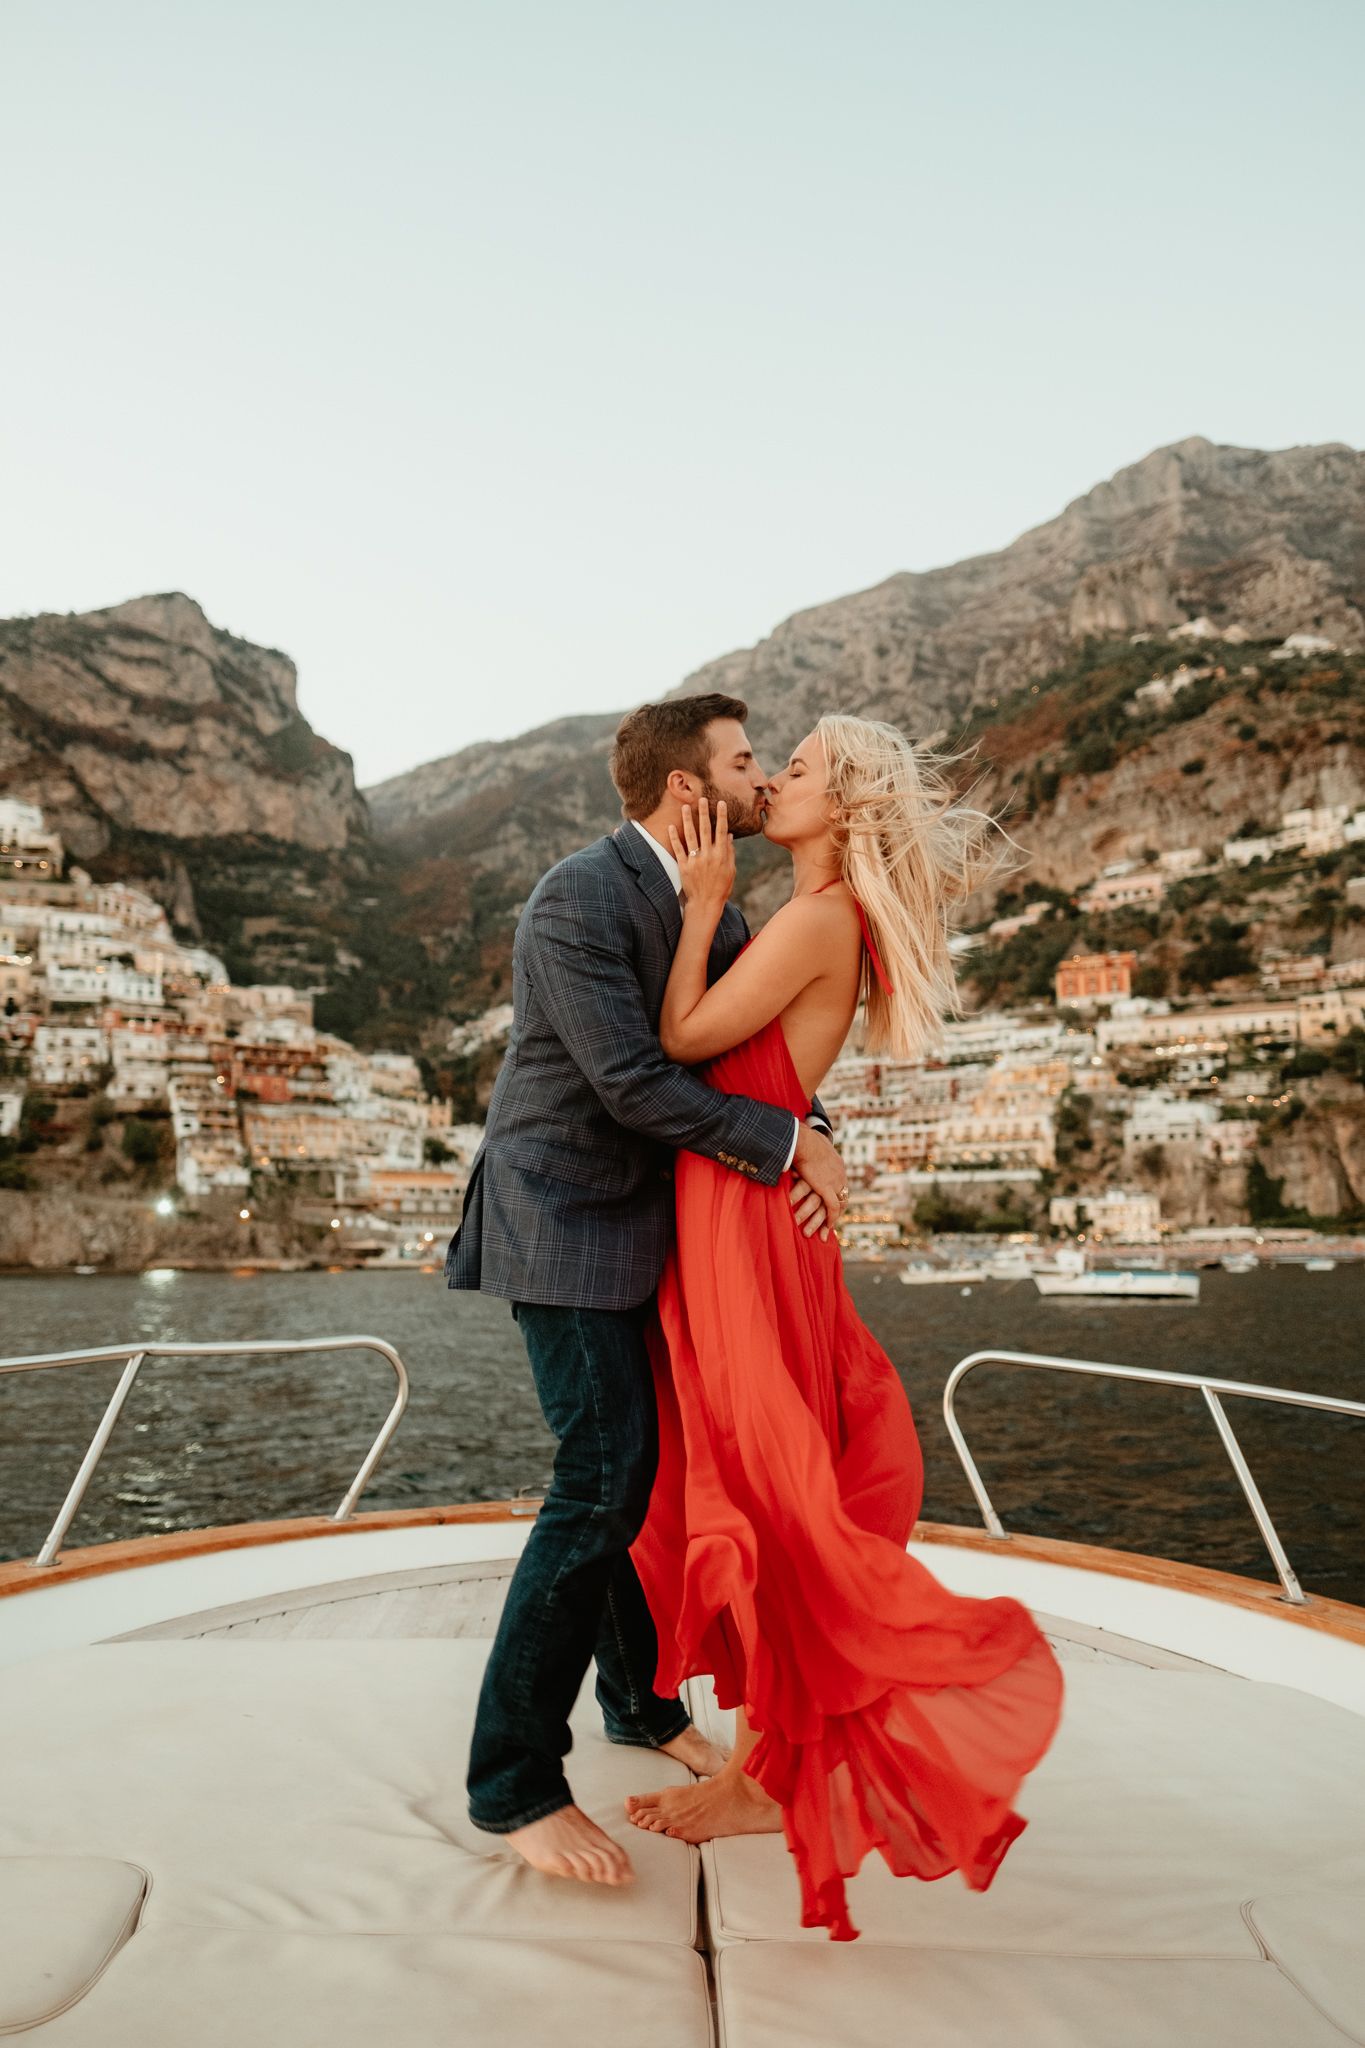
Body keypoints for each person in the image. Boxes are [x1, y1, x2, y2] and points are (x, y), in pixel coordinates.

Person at [624, 715, 1065, 1941]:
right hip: (749, 1204)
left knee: (770, 1479)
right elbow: (777, 1082)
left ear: (844, 804)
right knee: (766, 1471)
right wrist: (812, 1133)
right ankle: (755, 1770)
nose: (775, 779)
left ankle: (761, 1780)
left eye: (800, 768)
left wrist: (705, 899)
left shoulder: (813, 919)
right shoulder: (818, 918)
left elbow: (682, 1042)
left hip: (740, 1220)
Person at [445, 692, 848, 1888]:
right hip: (562, 1219)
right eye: (740, 761)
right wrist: (785, 1150)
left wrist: (814, 1124)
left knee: (649, 1470)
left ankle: (634, 1697)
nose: (760, 776)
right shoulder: (578, 895)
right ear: (690, 790)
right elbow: (629, 1082)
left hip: (658, 1230)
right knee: (605, 1478)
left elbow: (746, 1051)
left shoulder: (713, 912)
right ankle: (512, 1778)